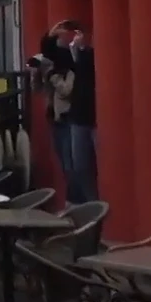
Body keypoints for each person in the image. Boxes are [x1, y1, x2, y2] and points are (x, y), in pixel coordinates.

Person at [31, 20, 98, 204]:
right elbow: (50, 53)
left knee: (85, 167)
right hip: (75, 117)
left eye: (79, 35)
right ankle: (82, 204)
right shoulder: (71, 58)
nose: (75, 40)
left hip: (87, 117)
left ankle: (90, 206)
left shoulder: (90, 57)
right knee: (76, 166)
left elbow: (67, 88)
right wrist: (51, 35)